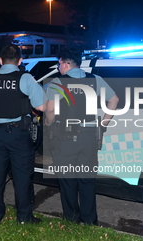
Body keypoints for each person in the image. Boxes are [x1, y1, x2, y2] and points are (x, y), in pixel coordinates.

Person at [0, 44, 47, 224]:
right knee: (22, 177)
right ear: (20, 61)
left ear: (0, 60)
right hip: (19, 134)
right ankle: (24, 217)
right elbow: (41, 107)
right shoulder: (26, 79)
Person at [45, 48, 119, 225]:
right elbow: (114, 100)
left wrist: (48, 123)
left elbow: (50, 110)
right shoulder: (95, 79)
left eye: (59, 64)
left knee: (68, 181)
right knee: (87, 180)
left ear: (66, 63)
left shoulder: (57, 82)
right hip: (89, 137)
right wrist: (103, 124)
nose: (58, 67)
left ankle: (72, 219)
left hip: (65, 137)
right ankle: (90, 221)